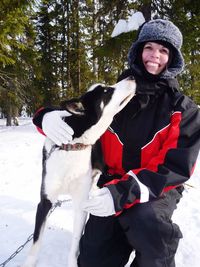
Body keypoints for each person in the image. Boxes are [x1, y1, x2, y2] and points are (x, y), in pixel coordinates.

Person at [33, 19, 200, 267]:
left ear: (172, 60)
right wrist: (45, 117)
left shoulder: (181, 109)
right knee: (93, 260)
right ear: (138, 51)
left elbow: (175, 167)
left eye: (164, 51)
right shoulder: (118, 94)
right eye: (149, 47)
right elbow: (80, 115)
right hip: (110, 185)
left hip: (154, 192)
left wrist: (121, 194)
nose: (155, 55)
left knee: (148, 226)